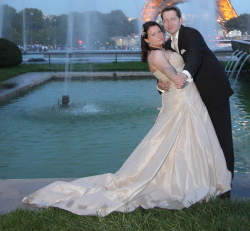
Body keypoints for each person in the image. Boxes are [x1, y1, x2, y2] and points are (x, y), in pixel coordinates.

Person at [22, 21, 231, 216]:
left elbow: (168, 72)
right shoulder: (156, 54)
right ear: (146, 40)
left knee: (185, 141)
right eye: (153, 34)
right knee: (182, 141)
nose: (159, 34)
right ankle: (189, 181)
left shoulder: (168, 49)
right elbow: (167, 69)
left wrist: (163, 83)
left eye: (159, 31)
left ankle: (192, 179)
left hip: (186, 100)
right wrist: (176, 77)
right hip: (180, 102)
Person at [160, 6, 234, 183]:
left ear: (180, 20)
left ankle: (227, 180)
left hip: (213, 90)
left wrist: (184, 76)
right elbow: (166, 70)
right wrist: (161, 85)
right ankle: (208, 176)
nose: (169, 23)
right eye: (165, 20)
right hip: (193, 97)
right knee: (203, 137)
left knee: (221, 137)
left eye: (173, 19)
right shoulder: (167, 45)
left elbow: (195, 56)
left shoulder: (192, 34)